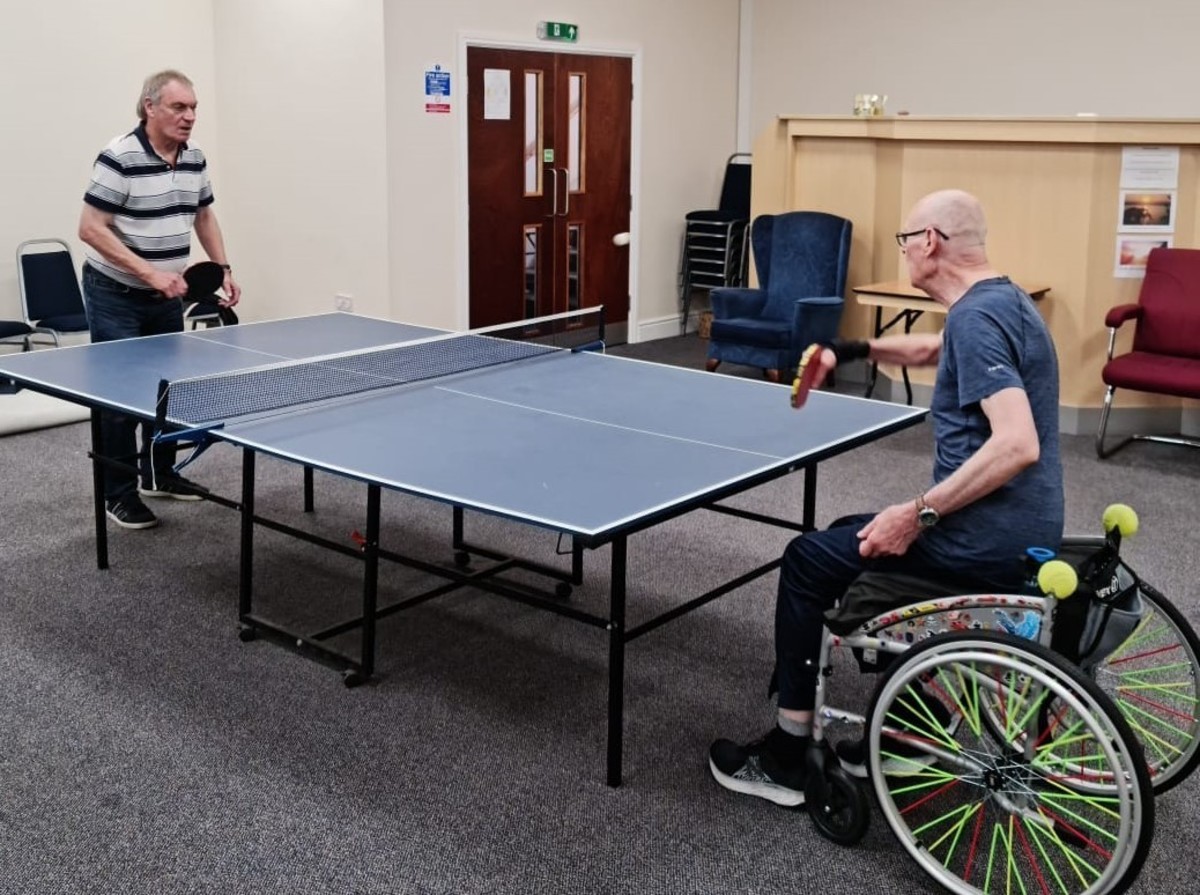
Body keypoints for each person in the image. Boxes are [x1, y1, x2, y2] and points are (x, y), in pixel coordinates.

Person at [709, 189, 1063, 806]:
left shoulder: (976, 319)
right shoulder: (1002, 301)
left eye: (905, 240)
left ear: (929, 241)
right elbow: (932, 349)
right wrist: (848, 349)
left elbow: (1017, 444)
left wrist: (918, 514)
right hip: (1025, 529)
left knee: (805, 561)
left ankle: (789, 753)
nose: (904, 251)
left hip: (978, 541)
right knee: (848, 527)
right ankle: (912, 731)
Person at [79, 69, 241, 530]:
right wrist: (149, 273)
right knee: (118, 400)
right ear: (150, 107)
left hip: (169, 294)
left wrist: (223, 267)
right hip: (116, 294)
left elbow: (203, 215)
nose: (189, 116)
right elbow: (90, 228)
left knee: (165, 392)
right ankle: (118, 493)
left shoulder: (194, 158)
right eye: (179, 107)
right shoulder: (119, 157)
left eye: (193, 108)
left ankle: (158, 473)